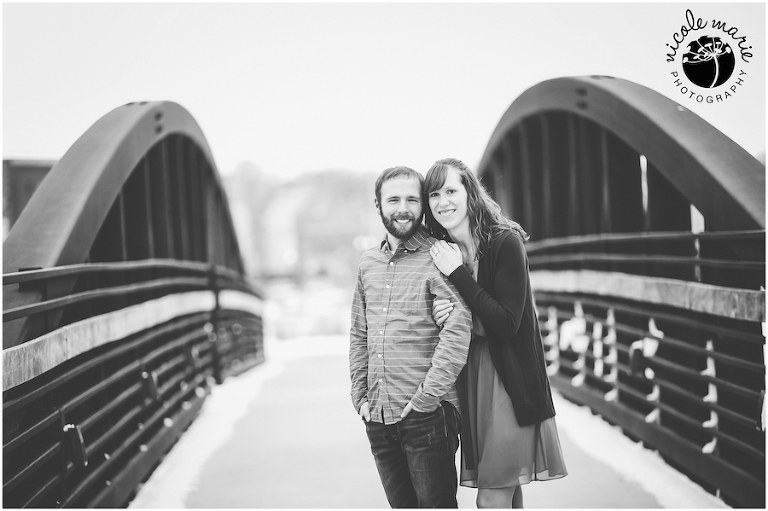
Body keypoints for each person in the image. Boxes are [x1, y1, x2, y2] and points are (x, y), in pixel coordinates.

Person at [423, 158, 567, 509]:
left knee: (490, 499)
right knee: (506, 494)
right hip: (472, 382)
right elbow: (457, 317)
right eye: (434, 194)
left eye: (451, 191)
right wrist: (441, 315)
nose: (443, 201)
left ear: (470, 193)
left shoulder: (504, 242)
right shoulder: (439, 251)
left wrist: (458, 273)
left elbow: (507, 322)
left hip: (509, 382)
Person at [349, 165, 472, 508]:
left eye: (411, 200)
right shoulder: (368, 263)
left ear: (422, 205)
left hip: (427, 416)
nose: (402, 208)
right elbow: (359, 332)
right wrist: (360, 396)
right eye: (393, 200)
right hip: (378, 415)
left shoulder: (440, 256)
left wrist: (426, 400)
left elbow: (458, 330)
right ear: (378, 205)